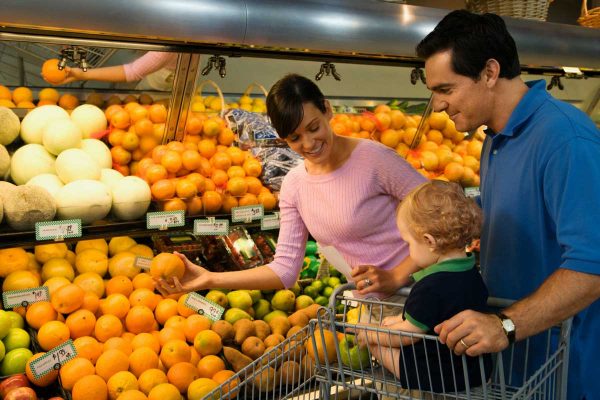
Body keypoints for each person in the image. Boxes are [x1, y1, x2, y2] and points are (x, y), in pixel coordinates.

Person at [415, 10, 600, 400]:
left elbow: (593, 266)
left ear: (489, 72)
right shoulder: (496, 139)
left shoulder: (566, 140)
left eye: (446, 89)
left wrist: (506, 325)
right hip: (518, 366)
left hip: (566, 372)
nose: (438, 105)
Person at [157, 73, 426, 299]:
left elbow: (442, 215)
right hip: (377, 306)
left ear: (327, 109)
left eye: (314, 128)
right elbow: (285, 270)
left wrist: (397, 275)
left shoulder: (375, 159)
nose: (308, 144)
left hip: (423, 290)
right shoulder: (295, 184)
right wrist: (210, 279)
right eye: (295, 138)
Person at [356, 180, 491, 394]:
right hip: (473, 370)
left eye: (408, 243)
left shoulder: (430, 286)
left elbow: (406, 335)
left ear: (429, 241)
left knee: (376, 343)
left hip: (436, 373)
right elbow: (430, 316)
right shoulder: (472, 273)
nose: (408, 250)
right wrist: (401, 321)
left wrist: (371, 334)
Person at [42, 51, 178, 91]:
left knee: (150, 99)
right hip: (161, 65)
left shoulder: (165, 52)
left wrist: (82, 75)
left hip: (169, 73)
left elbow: (132, 71)